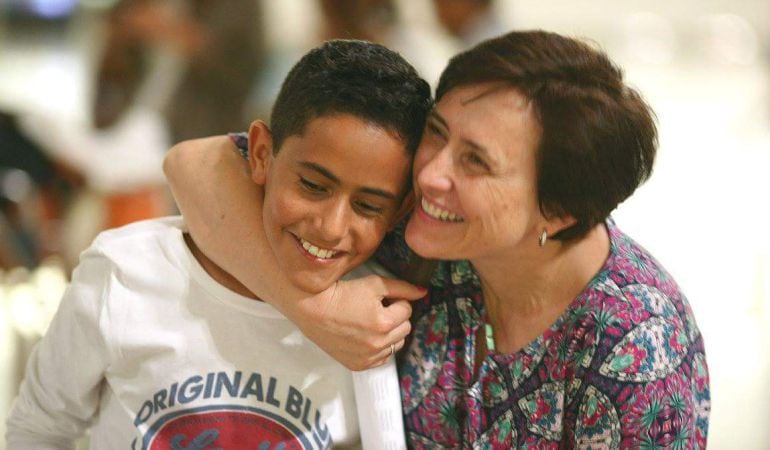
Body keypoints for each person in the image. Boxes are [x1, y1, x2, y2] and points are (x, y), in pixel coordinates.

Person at [163, 30, 711, 448]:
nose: (428, 175)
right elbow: (196, 164)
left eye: (475, 162)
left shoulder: (636, 348)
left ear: (559, 211)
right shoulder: (420, 230)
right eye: (438, 133)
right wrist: (315, 309)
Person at [6, 39, 431, 448]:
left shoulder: (379, 323)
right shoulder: (126, 272)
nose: (333, 227)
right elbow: (39, 430)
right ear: (262, 153)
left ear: (399, 211)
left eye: (368, 206)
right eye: (313, 186)